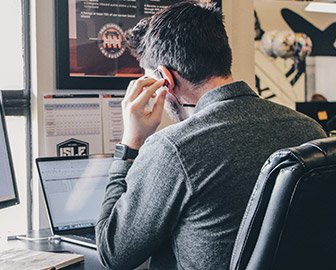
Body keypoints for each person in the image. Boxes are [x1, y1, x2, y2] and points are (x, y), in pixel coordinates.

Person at [95, 1, 327, 269]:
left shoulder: (174, 148)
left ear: (165, 79)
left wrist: (129, 144)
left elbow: (113, 253)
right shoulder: (310, 130)